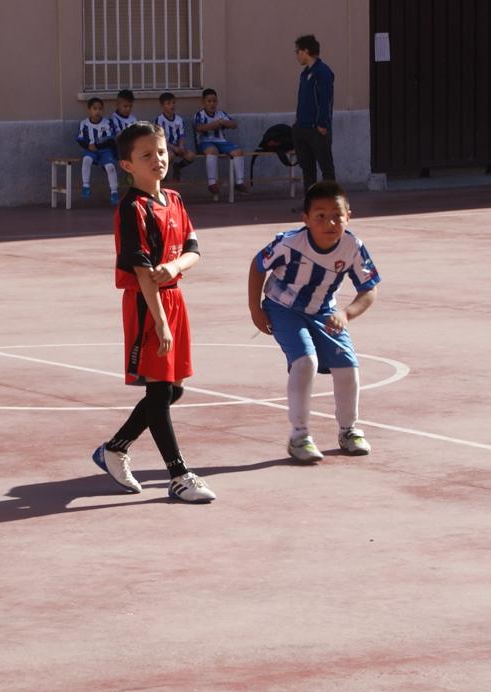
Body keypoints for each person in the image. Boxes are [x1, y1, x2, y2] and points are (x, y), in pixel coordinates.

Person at [92, 122, 216, 503]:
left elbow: (194, 249)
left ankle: (115, 448)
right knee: (160, 389)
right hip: (149, 303)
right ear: (127, 165)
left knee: (173, 388)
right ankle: (178, 474)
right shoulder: (133, 208)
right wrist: (159, 321)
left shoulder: (174, 200)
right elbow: (143, 272)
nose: (157, 160)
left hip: (174, 296)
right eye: (146, 155)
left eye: (160, 152)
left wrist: (177, 267)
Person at [248, 181, 380, 463]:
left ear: (349, 216)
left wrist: (345, 314)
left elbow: (369, 290)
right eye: (320, 215)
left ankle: (349, 430)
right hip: (283, 307)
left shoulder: (352, 247)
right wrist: (255, 309)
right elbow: (258, 266)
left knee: (348, 367)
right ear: (305, 219)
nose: (329, 222)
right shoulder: (289, 243)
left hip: (324, 311)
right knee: (305, 361)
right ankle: (299, 436)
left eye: (337, 215)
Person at [292, 34, 336, 193]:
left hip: (316, 129)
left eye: (297, 51)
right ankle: (310, 202)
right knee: (307, 168)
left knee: (326, 166)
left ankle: (332, 201)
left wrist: (322, 124)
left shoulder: (322, 72)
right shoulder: (305, 74)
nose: (296, 56)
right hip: (302, 128)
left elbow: (325, 99)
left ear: (305, 51)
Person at [193, 88, 247, 200]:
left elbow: (234, 124)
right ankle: (212, 183)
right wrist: (214, 125)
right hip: (205, 142)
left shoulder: (221, 114)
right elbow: (198, 128)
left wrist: (224, 123)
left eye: (214, 101)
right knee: (212, 151)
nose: (212, 104)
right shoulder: (199, 115)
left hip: (221, 142)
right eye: (209, 101)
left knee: (238, 152)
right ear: (203, 102)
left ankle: (239, 182)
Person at [77, 97, 119, 204]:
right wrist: (88, 146)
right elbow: (80, 139)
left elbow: (110, 139)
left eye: (100, 109)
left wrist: (98, 146)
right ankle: (85, 185)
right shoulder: (84, 124)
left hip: (105, 151)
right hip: (91, 150)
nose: (97, 111)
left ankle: (114, 192)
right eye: (95, 109)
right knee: (86, 159)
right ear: (89, 110)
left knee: (110, 167)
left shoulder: (107, 123)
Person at [156, 92, 195, 181]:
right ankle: (163, 174)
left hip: (177, 147)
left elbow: (181, 135)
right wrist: (174, 148)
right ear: (162, 106)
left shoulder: (179, 119)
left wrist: (181, 146)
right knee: (170, 156)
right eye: (168, 103)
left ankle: (178, 167)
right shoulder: (159, 120)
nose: (172, 105)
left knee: (191, 156)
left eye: (173, 102)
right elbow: (160, 139)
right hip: (165, 147)